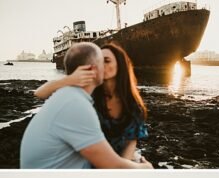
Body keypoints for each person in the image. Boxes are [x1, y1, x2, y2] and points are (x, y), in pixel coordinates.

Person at [19, 42, 152, 169]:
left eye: (106, 61)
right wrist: (70, 79)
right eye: (100, 62)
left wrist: (124, 166)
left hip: (105, 157)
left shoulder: (131, 104)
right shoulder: (83, 99)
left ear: (120, 65)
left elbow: (131, 140)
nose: (101, 65)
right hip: (93, 156)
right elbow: (39, 93)